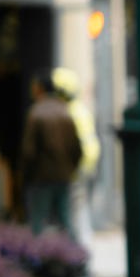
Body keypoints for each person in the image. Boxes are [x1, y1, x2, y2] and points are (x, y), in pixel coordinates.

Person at [20, 71, 82, 238]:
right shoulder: (65, 110)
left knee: (38, 223)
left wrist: (26, 175)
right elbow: (77, 147)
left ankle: (38, 258)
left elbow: (29, 151)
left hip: (41, 177)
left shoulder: (36, 113)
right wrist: (71, 169)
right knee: (66, 220)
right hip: (64, 176)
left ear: (39, 89)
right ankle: (75, 258)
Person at [49, 68, 101, 256]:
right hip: (87, 166)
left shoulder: (68, 112)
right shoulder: (79, 109)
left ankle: (80, 255)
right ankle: (80, 253)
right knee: (79, 211)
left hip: (77, 169)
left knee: (75, 214)